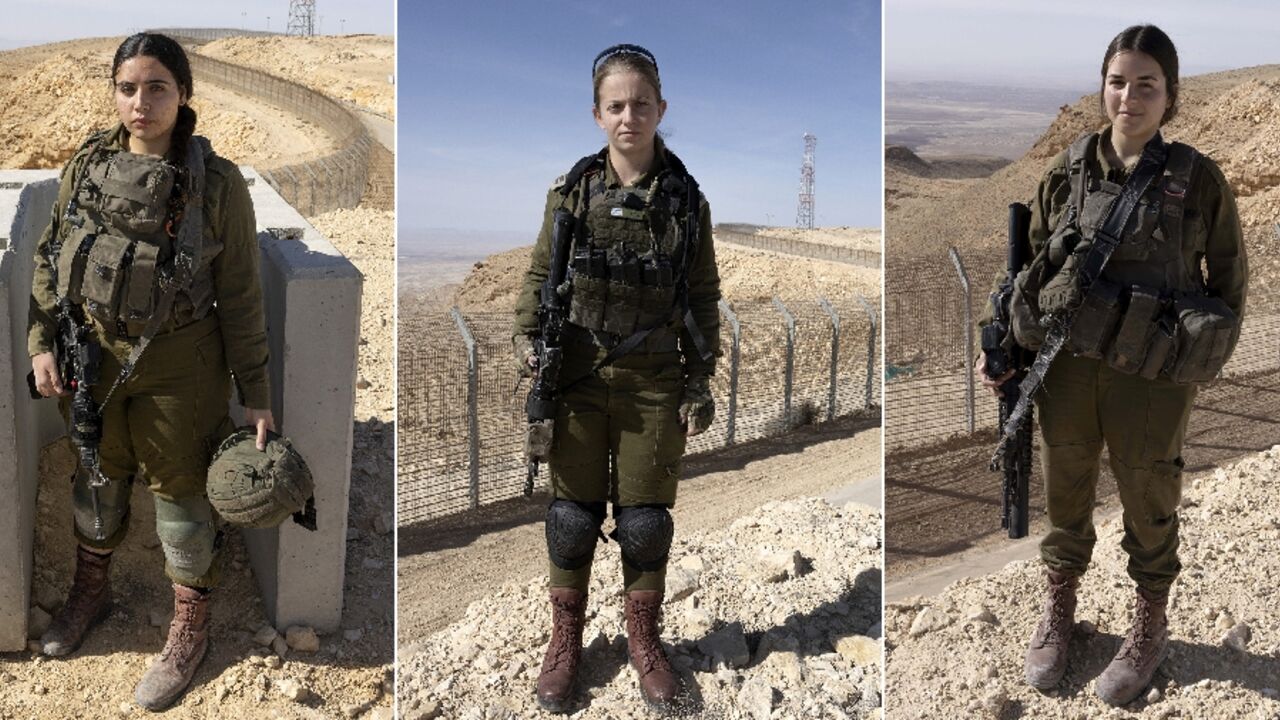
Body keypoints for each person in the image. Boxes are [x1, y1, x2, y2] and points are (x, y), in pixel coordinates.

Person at [977, 25, 1246, 706]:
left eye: (1147, 84)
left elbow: (1230, 282)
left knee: (1148, 496)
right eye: (1118, 81)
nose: (1129, 96)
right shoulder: (1069, 170)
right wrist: (1004, 346)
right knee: (1064, 487)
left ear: (1170, 95)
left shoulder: (1195, 178)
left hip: (1151, 377)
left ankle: (1149, 624)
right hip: (1065, 369)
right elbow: (1028, 272)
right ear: (1104, 86)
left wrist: (1195, 352)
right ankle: (1061, 607)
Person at [27, 33, 275, 711]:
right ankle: (90, 591)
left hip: (183, 368)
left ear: (184, 94)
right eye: (128, 88)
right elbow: (51, 257)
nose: (141, 102)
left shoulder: (216, 185)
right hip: (93, 357)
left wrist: (256, 394)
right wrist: (40, 341)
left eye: (157, 86)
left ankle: (189, 627)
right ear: (115, 93)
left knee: (182, 500)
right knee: (97, 477)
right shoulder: (87, 163)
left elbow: (244, 296)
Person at [512, 44, 721, 713]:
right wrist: (527, 338)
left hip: (655, 377)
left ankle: (644, 642)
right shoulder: (569, 195)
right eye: (616, 105)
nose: (629, 116)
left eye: (641, 104)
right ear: (597, 114)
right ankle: (564, 642)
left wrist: (700, 379)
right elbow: (539, 275)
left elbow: (704, 294)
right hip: (576, 371)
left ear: (661, 109)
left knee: (645, 523)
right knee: (572, 517)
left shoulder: (687, 203)